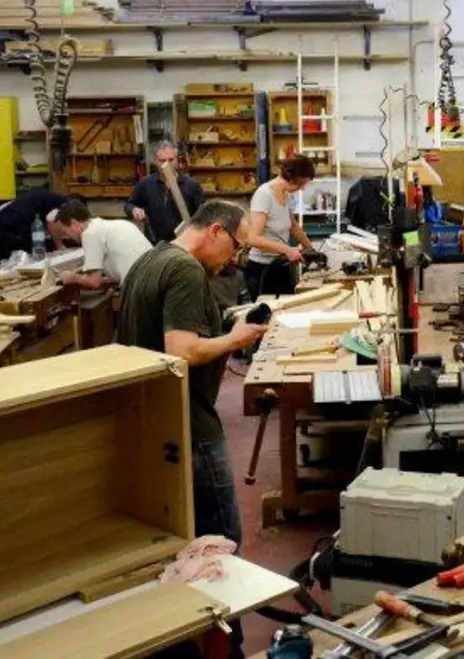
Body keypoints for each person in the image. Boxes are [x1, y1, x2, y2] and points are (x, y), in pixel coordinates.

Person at [114, 201, 268, 659]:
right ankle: (227, 645)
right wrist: (235, 341)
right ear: (215, 231)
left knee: (183, 540)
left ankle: (187, 638)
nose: (234, 260)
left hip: (153, 422)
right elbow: (181, 350)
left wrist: (225, 324)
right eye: (235, 247)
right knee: (221, 542)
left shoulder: (151, 259)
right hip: (192, 427)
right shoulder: (185, 270)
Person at [243, 154, 318, 299]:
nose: (301, 189)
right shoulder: (264, 195)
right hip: (262, 269)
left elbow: (294, 227)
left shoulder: (286, 195)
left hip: (280, 266)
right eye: (301, 185)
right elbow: (253, 238)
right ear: (292, 178)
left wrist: (311, 250)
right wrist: (288, 250)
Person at [50, 199, 153, 290]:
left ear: (75, 224)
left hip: (141, 287)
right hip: (156, 277)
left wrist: (74, 277)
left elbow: (94, 282)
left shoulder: (90, 234)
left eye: (66, 231)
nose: (67, 236)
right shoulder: (119, 224)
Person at [125, 141, 205, 243]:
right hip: (154, 245)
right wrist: (134, 210)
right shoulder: (146, 184)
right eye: (162, 160)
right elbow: (129, 204)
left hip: (183, 245)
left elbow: (203, 215)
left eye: (171, 160)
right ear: (155, 161)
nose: (167, 164)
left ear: (177, 160)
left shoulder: (191, 185)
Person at [0, 187, 68, 264]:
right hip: (14, 225)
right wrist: (59, 246)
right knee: (14, 260)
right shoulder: (64, 204)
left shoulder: (49, 197)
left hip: (3, 219)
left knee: (5, 258)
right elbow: (50, 220)